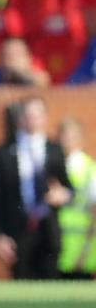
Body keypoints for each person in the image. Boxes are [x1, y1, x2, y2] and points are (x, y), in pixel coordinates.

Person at [0, 98, 72, 280]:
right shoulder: (4, 152)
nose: (32, 120)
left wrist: (63, 194)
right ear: (20, 118)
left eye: (37, 115)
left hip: (49, 226)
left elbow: (68, 187)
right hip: (19, 227)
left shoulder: (54, 149)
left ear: (44, 117)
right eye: (28, 115)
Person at [57, 118, 96, 278]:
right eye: (63, 136)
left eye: (71, 137)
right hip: (57, 247)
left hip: (81, 248)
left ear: (80, 139)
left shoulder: (88, 168)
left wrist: (86, 250)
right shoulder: (55, 165)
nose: (66, 141)